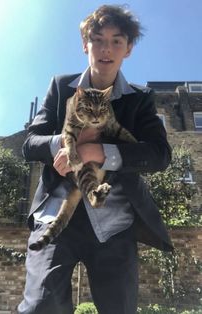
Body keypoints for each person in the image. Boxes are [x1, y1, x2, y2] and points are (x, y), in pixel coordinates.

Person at [18, 4, 173, 314]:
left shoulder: (140, 99)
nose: (106, 48)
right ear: (84, 44)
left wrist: (99, 151)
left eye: (117, 40)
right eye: (98, 39)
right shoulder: (61, 86)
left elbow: (159, 154)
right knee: (40, 306)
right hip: (57, 214)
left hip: (115, 220)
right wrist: (64, 144)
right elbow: (30, 144)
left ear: (128, 48)